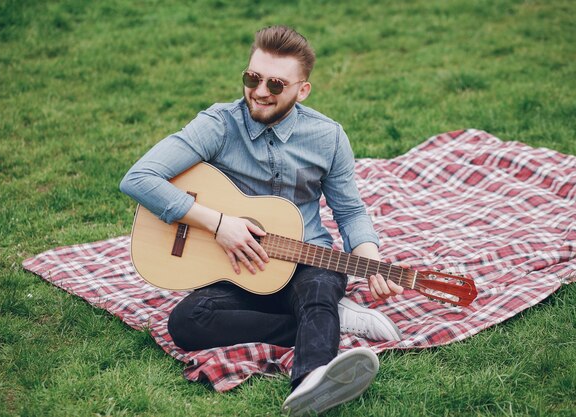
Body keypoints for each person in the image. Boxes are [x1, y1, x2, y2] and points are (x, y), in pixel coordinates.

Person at [120, 25, 404, 416]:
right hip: (234, 269)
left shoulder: (328, 137)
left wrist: (371, 260)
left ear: (302, 90)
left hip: (307, 260)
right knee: (186, 323)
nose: (260, 91)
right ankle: (320, 322)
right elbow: (138, 178)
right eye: (252, 78)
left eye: (275, 83)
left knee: (319, 286)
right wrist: (218, 224)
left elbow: (350, 211)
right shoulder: (219, 124)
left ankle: (311, 382)